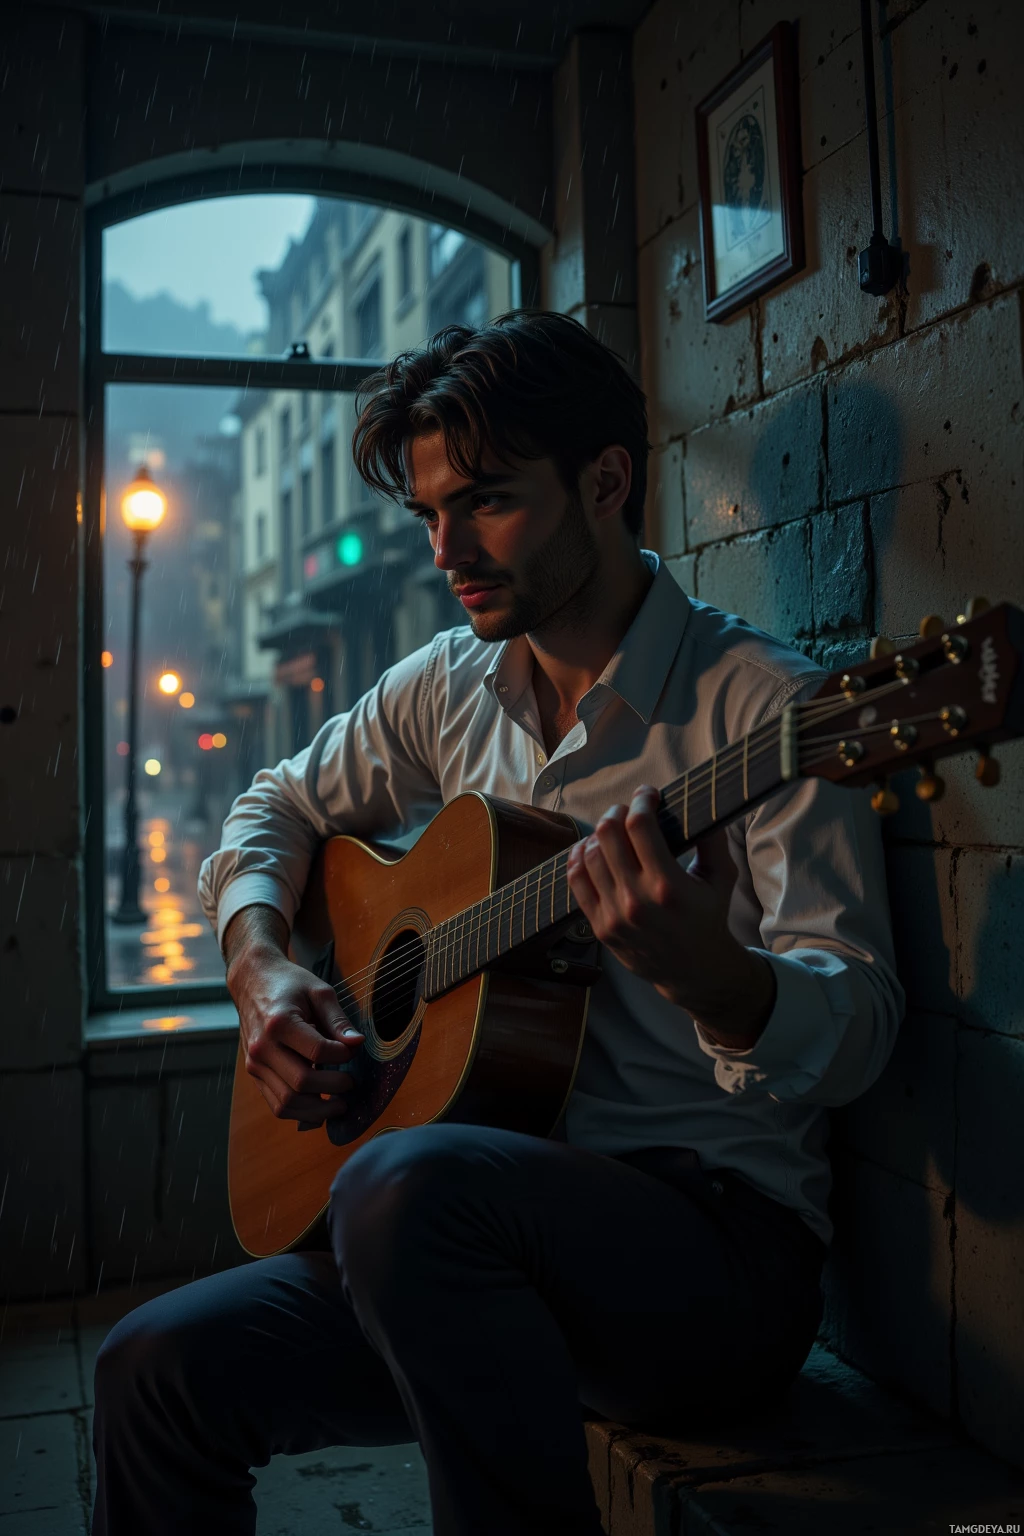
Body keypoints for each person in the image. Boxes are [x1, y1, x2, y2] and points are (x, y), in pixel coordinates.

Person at [92, 311, 903, 1536]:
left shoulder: (768, 711)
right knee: (150, 1368)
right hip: (450, 1259)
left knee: (405, 1184)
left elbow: (859, 1026)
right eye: (429, 514)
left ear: (606, 482)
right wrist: (258, 962)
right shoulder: (448, 688)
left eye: (484, 502)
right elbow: (275, 806)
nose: (446, 548)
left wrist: (717, 979)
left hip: (708, 1262)